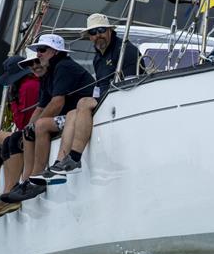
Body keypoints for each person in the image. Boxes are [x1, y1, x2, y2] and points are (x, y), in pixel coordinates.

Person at [46, 13, 142, 182]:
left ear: (110, 31)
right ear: (89, 37)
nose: (97, 35)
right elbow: (98, 88)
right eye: (93, 33)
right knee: (71, 114)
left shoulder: (125, 49)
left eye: (101, 30)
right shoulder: (98, 57)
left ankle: (75, 157)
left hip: (121, 101)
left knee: (83, 102)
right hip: (106, 101)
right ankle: (61, 162)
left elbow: (130, 85)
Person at [1, 33, 95, 202]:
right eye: (37, 51)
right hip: (67, 116)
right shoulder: (49, 73)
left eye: (42, 50)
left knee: (41, 125)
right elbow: (41, 107)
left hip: (81, 116)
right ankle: (28, 180)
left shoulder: (63, 66)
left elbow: (57, 103)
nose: (38, 55)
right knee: (28, 131)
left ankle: (37, 178)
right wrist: (29, 127)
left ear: (55, 52)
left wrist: (35, 125)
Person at [0, 51, 42, 222]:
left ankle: (8, 191)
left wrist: (12, 101)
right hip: (28, 130)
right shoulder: (24, 85)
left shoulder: (29, 86)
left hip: (33, 131)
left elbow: (22, 122)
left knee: (11, 141)